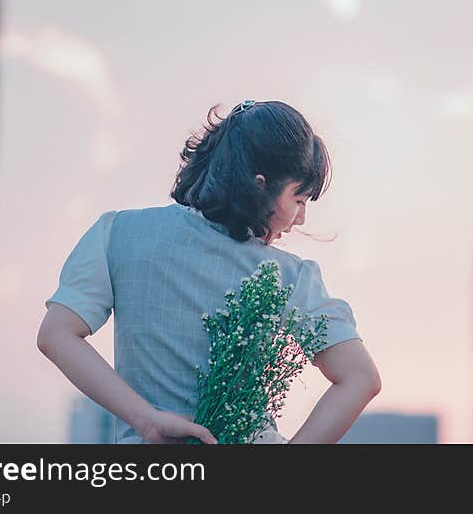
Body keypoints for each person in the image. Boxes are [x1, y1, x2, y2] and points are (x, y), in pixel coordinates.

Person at [36, 100, 381, 444]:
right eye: (298, 199)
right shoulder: (287, 275)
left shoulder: (118, 233)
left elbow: (56, 335)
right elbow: (361, 378)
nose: (300, 219)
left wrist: (147, 421)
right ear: (260, 184)